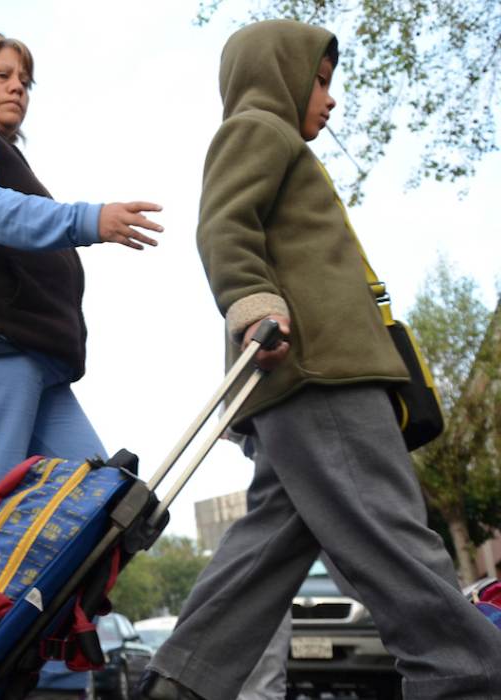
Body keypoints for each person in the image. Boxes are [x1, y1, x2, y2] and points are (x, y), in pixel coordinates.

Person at [140, 20, 501, 699]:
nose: (330, 99)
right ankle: (466, 677)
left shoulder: (280, 143)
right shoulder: (259, 128)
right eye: (321, 79)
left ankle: (181, 683)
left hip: (298, 382)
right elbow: (223, 223)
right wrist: (252, 305)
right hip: (319, 370)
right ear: (278, 74)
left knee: (269, 548)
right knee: (395, 537)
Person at [0, 33, 165, 553]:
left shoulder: (2, 154)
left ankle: (37, 632)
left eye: (25, 81)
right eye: (2, 76)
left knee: (103, 511)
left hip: (35, 359)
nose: (17, 88)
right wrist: (87, 219)